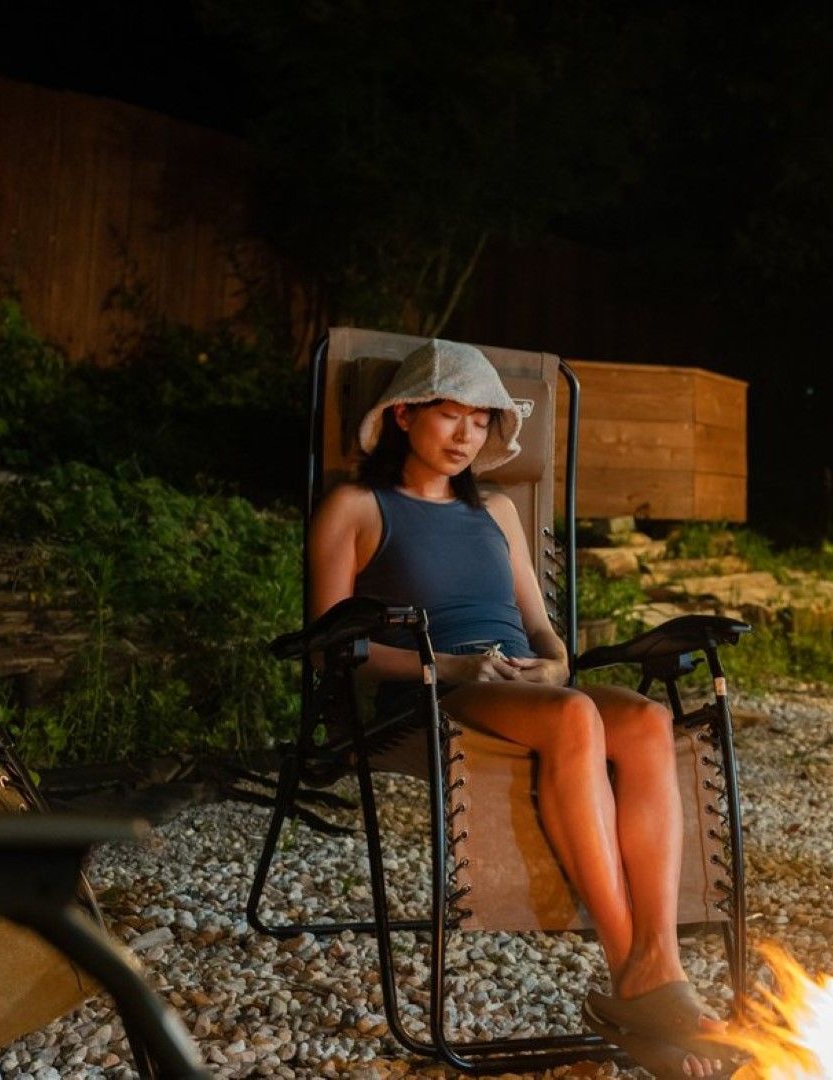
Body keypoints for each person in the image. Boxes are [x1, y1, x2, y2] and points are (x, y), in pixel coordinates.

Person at [307, 339, 733, 1079]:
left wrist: (558, 663)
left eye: (481, 421)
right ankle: (634, 976)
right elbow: (331, 648)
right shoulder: (355, 506)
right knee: (575, 721)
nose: (467, 434)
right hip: (435, 690)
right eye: (452, 414)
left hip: (524, 683)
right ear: (404, 415)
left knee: (647, 722)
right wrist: (453, 663)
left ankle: (658, 965)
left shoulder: (498, 509)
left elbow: (540, 627)